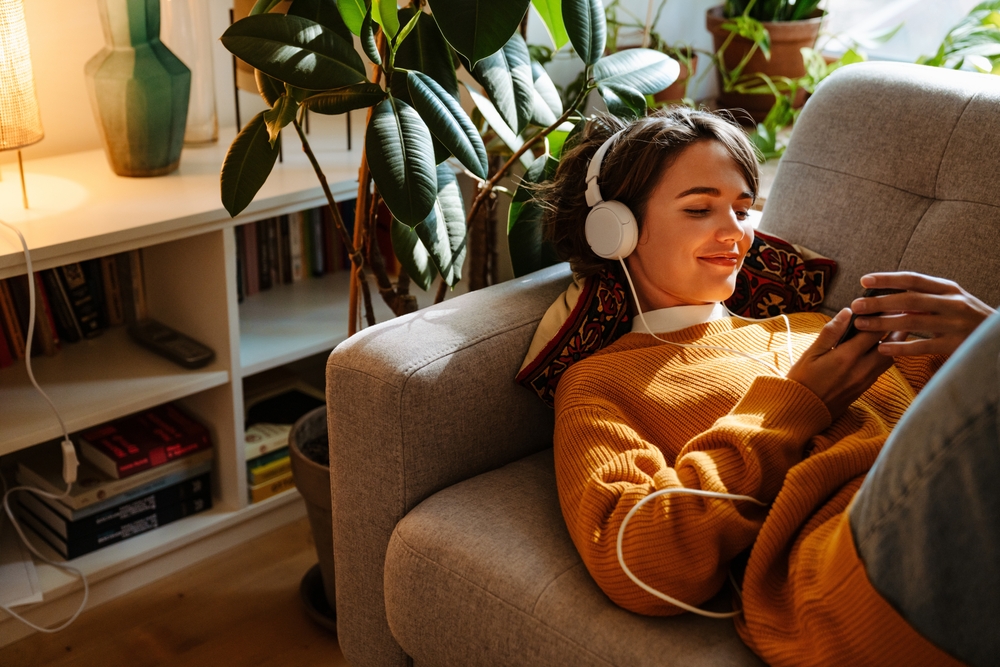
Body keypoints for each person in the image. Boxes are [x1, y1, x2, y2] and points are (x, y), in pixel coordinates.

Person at [546, 107, 998, 667]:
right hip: (845, 575)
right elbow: (636, 561)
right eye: (698, 208)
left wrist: (977, 341)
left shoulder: (815, 329)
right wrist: (796, 408)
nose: (735, 232)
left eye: (742, 210)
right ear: (617, 230)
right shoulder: (602, 383)